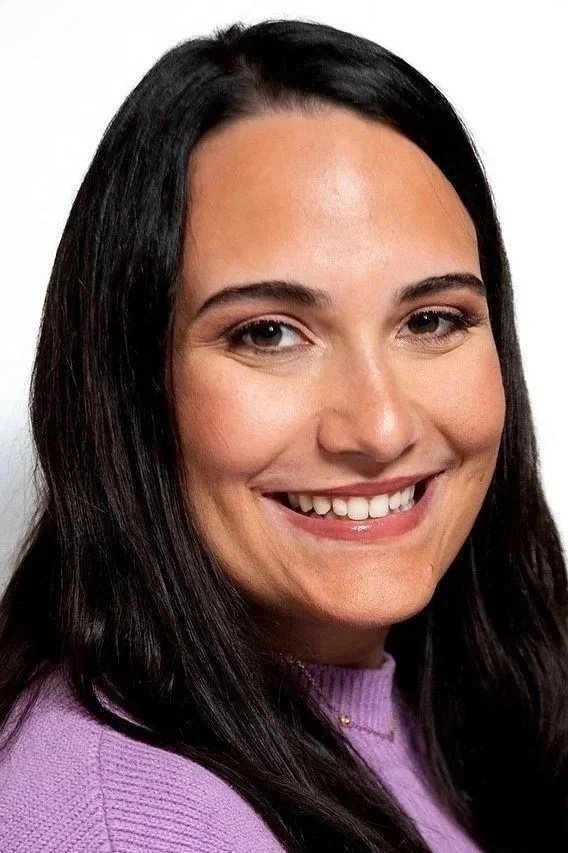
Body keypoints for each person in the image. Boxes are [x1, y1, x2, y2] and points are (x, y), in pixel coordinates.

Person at [0, 17, 566, 853]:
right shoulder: (127, 824)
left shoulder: (468, 709)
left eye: (433, 318)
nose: (380, 426)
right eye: (268, 333)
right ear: (128, 383)